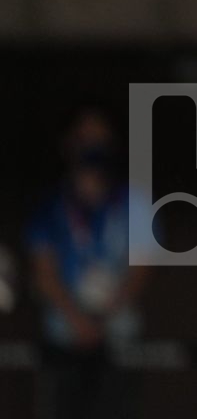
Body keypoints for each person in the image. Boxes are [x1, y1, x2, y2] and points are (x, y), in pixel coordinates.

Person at [26, 108, 150, 419]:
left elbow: (141, 271)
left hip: (119, 335)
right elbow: (43, 274)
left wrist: (104, 321)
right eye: (84, 138)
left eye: (101, 138)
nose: (93, 146)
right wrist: (78, 322)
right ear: (68, 144)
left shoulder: (134, 203)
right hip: (63, 336)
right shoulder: (50, 205)